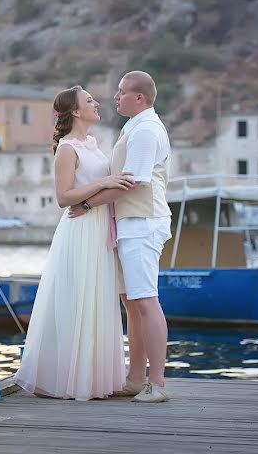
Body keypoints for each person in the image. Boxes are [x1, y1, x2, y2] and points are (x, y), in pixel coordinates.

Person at [14, 85, 134, 401]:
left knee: (96, 299)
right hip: (79, 229)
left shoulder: (93, 145)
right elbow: (63, 197)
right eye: (89, 101)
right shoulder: (67, 149)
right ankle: (63, 379)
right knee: (77, 297)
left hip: (98, 229)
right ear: (76, 112)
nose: (97, 104)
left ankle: (93, 379)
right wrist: (105, 181)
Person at [69, 70, 173, 403]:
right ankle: (134, 377)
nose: (115, 97)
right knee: (132, 302)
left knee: (145, 300)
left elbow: (134, 182)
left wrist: (87, 203)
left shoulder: (145, 131)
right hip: (130, 222)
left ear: (139, 97)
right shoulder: (134, 127)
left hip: (143, 221)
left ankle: (156, 383)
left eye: (121, 92)